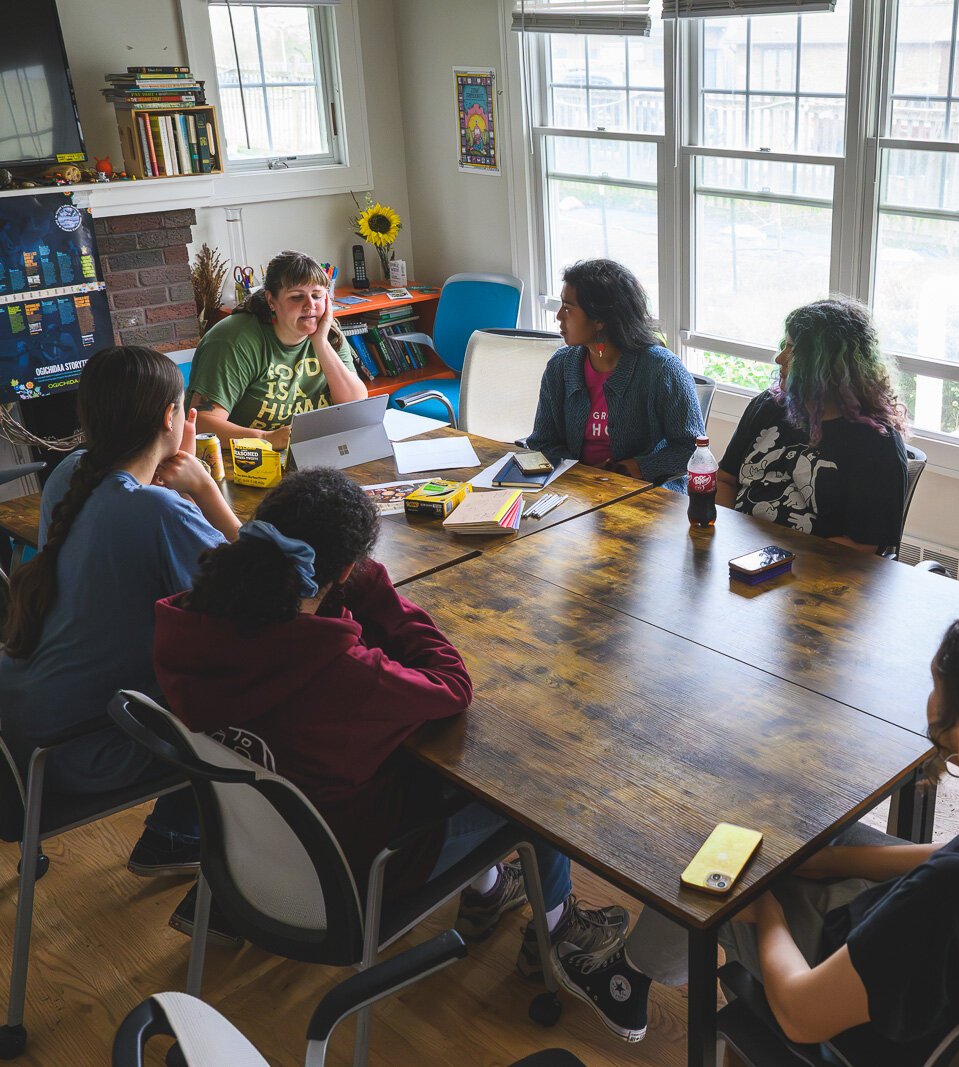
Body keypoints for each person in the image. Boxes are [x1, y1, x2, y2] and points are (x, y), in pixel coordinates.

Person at [580, 605, 959, 1054]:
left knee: (713, 852)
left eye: (936, 686)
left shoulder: (949, 901)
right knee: (806, 829)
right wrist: (836, 861)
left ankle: (628, 974)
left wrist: (764, 909)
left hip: (863, 1005)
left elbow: (802, 1015)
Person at [150, 468, 629, 956]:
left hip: (251, 857)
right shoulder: (342, 673)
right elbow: (452, 685)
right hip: (353, 874)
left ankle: (488, 892)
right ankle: (558, 932)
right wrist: (376, 589)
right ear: (345, 570)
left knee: (422, 761)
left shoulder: (187, 628)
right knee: (529, 783)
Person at [0, 345, 240, 876]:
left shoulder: (70, 474)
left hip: (19, 728)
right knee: (246, 681)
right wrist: (204, 488)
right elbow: (263, 585)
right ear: (170, 417)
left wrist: (169, 482)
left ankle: (178, 834)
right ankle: (198, 848)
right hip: (80, 750)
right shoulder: (153, 509)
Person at [717, 298, 908, 553]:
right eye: (784, 345)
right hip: (740, 555)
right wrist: (727, 541)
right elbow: (725, 480)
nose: (779, 358)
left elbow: (860, 547)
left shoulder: (876, 444)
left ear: (827, 366)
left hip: (814, 570)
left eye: (793, 350)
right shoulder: (768, 406)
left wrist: (780, 562)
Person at [522, 259, 702, 490]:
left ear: (600, 319)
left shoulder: (662, 369)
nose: (558, 316)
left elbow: (694, 449)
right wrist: (583, 474)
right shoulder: (561, 365)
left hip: (645, 492)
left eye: (567, 308)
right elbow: (542, 441)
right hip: (576, 489)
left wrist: (636, 468)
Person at [187, 251, 368, 449]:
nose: (310, 305)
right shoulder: (234, 340)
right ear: (271, 301)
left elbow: (355, 405)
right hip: (243, 456)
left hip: (310, 449)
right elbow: (202, 425)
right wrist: (267, 438)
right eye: (296, 297)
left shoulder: (328, 332)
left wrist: (321, 343)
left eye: (317, 296)